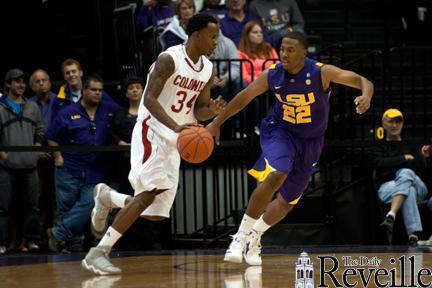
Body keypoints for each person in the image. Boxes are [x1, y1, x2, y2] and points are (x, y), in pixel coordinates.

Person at [206, 31, 374, 265]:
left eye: (291, 49)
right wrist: (216, 123)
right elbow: (244, 97)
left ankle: (255, 236)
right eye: (282, 49)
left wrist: (366, 95)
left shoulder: (321, 72)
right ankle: (240, 236)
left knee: (288, 201)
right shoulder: (272, 75)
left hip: (311, 141)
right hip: (280, 131)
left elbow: (362, 80)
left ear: (304, 52)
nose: (284, 54)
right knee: (278, 173)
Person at [81, 13, 226, 275]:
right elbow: (149, 100)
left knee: (154, 214)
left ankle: (107, 197)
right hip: (153, 132)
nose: (216, 42)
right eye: (212, 37)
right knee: (146, 195)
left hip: (177, 141)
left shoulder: (208, 68)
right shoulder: (169, 59)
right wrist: (174, 127)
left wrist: (211, 111)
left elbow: (200, 109)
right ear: (196, 35)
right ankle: (98, 252)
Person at [46, 75, 119, 253]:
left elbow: (126, 117)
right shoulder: (68, 111)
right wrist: (57, 157)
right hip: (69, 167)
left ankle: (58, 233)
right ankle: (71, 244)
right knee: (67, 207)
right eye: (93, 90)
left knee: (90, 202)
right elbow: (51, 137)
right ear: (84, 90)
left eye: (100, 90)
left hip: (95, 169)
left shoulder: (108, 109)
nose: (97, 93)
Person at [0, 69, 44, 254]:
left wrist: (35, 149)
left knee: (32, 206)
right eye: (16, 81)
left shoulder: (32, 107)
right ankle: (1, 243)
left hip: (30, 165)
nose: (21, 85)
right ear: (8, 84)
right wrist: (4, 155)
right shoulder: (0, 107)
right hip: (6, 167)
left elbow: (40, 130)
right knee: (2, 207)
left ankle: (31, 241)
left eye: (23, 82)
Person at [373, 109, 430, 245]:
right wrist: (403, 158)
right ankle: (413, 236)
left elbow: (421, 167)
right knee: (407, 189)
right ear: (383, 123)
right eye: (391, 121)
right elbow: (378, 163)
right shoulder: (379, 146)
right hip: (387, 189)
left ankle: (391, 215)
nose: (394, 125)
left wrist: (423, 156)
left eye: (398, 121)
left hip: (419, 188)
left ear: (402, 124)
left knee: (405, 173)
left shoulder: (411, 143)